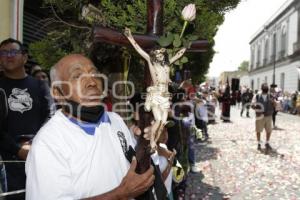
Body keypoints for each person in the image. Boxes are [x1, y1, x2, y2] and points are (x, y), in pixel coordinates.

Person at [25, 54, 155, 199]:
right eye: (77, 76)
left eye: (94, 73)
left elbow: (133, 164)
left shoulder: (115, 120)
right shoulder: (48, 143)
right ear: (57, 93)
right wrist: (120, 194)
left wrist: (147, 137)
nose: (91, 82)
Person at [0, 38, 51, 199]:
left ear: (24, 57)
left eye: (13, 52)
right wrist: (17, 149)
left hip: (39, 155)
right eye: (3, 53)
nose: (8, 56)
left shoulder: (40, 86)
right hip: (7, 161)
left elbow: (51, 117)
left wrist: (35, 143)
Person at [124, 27, 186, 150]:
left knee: (162, 123)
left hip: (165, 95)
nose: (160, 55)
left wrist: (185, 47)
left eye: (161, 53)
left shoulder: (167, 65)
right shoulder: (152, 64)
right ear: (155, 56)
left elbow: (178, 55)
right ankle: (152, 143)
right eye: (157, 54)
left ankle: (153, 143)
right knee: (158, 121)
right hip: (156, 94)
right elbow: (140, 51)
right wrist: (130, 37)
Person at [251, 83, 275, 152]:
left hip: (268, 115)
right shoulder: (257, 96)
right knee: (258, 130)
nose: (266, 88)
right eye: (265, 87)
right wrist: (255, 106)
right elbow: (252, 104)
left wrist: (274, 102)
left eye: (266, 87)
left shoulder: (271, 96)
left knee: (269, 130)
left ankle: (267, 142)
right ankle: (258, 143)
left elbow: (275, 104)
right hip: (259, 116)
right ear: (262, 88)